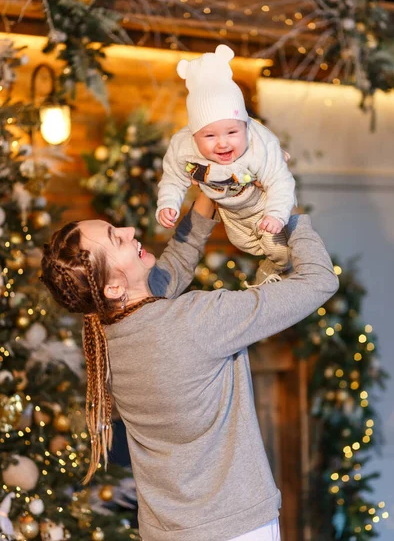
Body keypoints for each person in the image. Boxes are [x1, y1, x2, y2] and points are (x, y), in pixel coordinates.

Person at [40, 191, 339, 541]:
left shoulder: (105, 333)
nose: (129, 229)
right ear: (112, 286)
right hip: (236, 529)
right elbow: (320, 280)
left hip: (166, 531)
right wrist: (284, 205)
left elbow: (173, 268)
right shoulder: (195, 321)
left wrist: (207, 193)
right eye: (116, 238)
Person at [156, 44, 297, 285]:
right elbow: (173, 177)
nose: (222, 143)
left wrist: (276, 213)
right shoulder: (183, 147)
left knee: (279, 247)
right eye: (209, 136)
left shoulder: (259, 143)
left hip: (263, 201)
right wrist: (168, 203)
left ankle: (284, 271)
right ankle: (269, 261)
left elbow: (280, 180)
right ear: (194, 135)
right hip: (231, 210)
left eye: (231, 132)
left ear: (244, 125)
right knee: (242, 242)